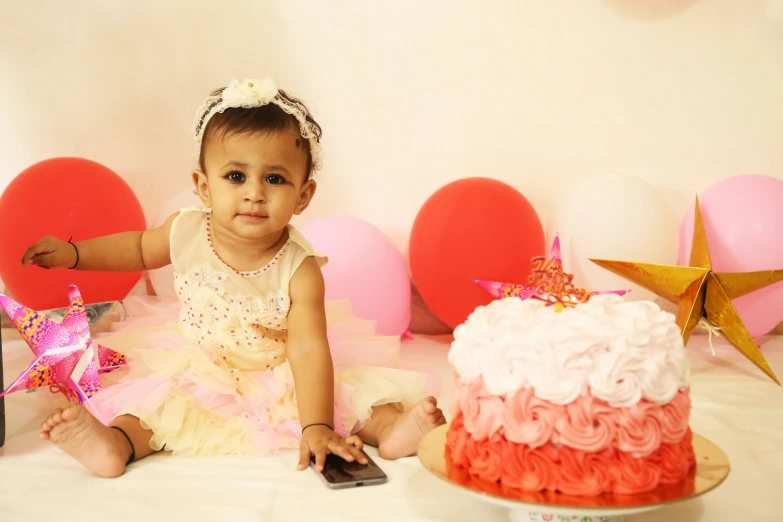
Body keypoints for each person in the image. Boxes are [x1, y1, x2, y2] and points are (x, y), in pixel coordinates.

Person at [21, 77, 445, 478]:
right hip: (204, 361)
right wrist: (76, 253)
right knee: (160, 400)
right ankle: (116, 444)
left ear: (303, 195)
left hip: (281, 367)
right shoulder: (186, 229)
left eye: (275, 178)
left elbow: (308, 348)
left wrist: (315, 425)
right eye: (236, 176)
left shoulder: (300, 269)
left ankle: (391, 431)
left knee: (352, 394)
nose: (254, 192)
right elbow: (135, 248)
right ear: (203, 187)